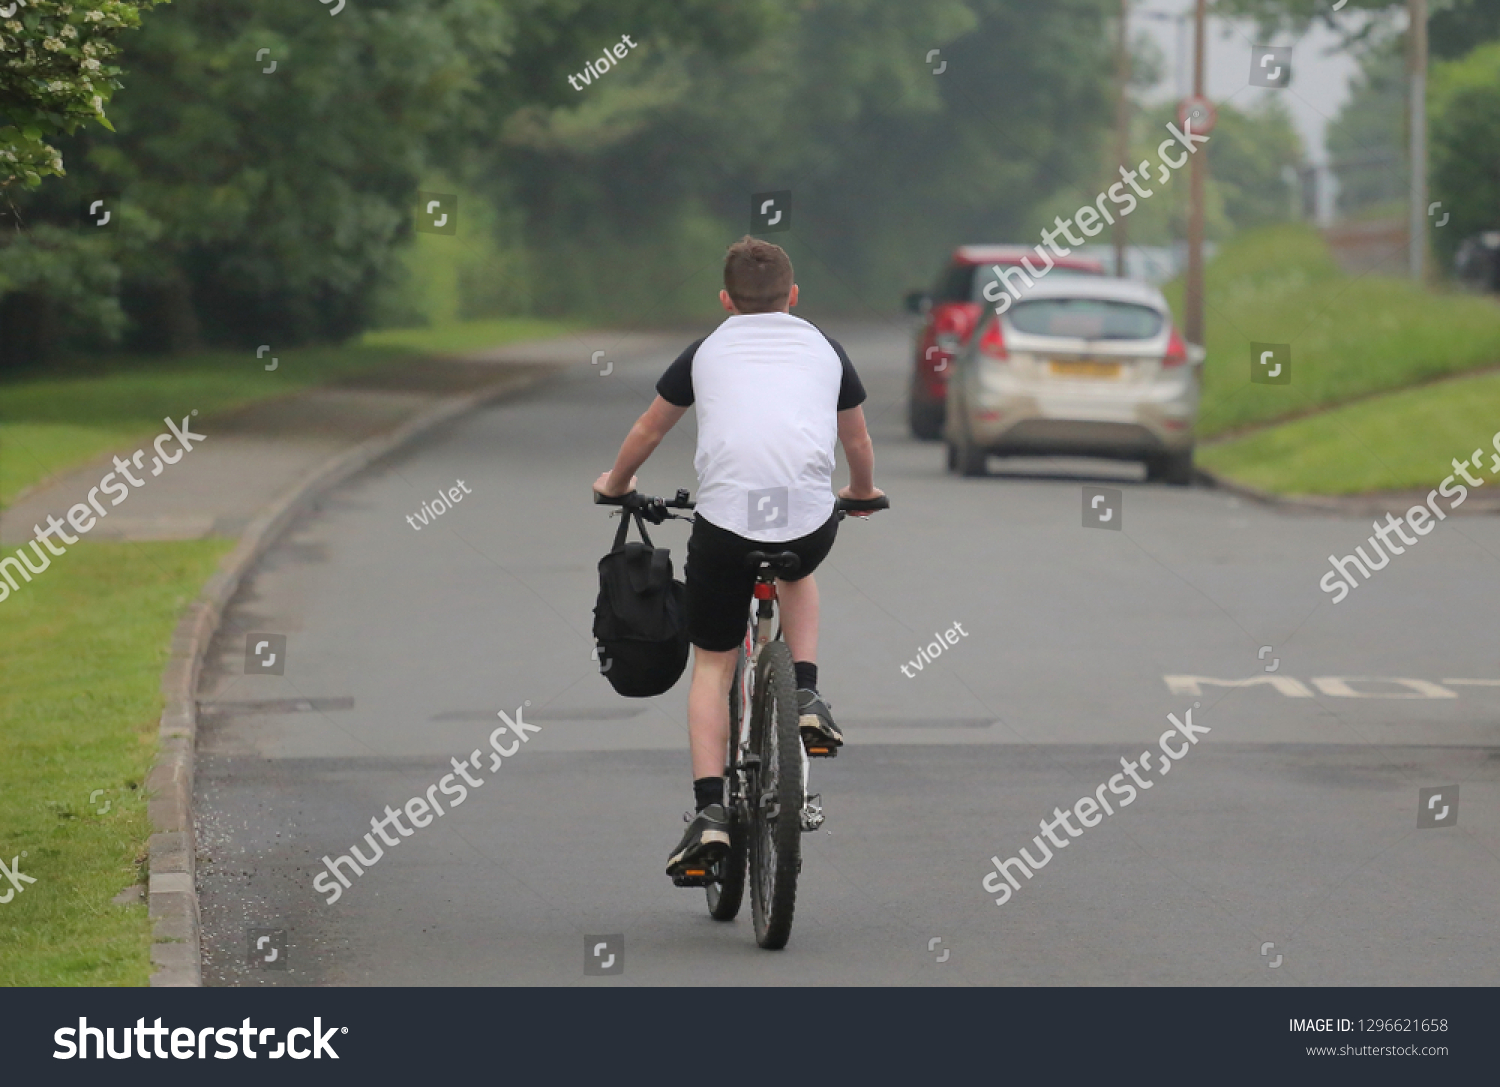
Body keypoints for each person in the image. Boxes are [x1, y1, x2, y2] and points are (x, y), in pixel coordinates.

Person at [592, 235, 884, 883]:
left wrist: (615, 483)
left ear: (726, 300)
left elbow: (648, 429)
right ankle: (805, 693)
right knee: (799, 568)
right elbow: (856, 438)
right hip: (805, 521)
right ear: (794, 296)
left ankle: (711, 813)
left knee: (714, 666)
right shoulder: (824, 347)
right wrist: (861, 493)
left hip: (723, 529)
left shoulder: (706, 351)